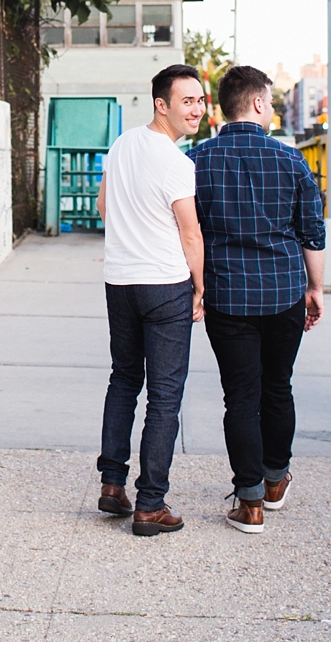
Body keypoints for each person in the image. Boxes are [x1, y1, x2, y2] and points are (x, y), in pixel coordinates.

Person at [190, 64, 325, 536]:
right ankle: (275, 481)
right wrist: (315, 288)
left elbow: (187, 233)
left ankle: (248, 503)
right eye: (271, 100)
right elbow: (312, 233)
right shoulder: (290, 161)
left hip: (226, 295)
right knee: (278, 386)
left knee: (241, 396)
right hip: (284, 292)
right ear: (259, 103)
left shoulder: (196, 160)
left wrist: (195, 287)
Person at [95, 64, 206, 537]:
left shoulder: (121, 147)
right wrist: (200, 287)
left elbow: (103, 206)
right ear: (162, 104)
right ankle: (151, 504)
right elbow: (190, 233)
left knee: (124, 379)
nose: (197, 109)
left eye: (201, 100)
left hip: (119, 282)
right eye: (187, 101)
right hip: (164, 286)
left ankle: (113, 485)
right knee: (165, 395)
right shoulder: (177, 164)